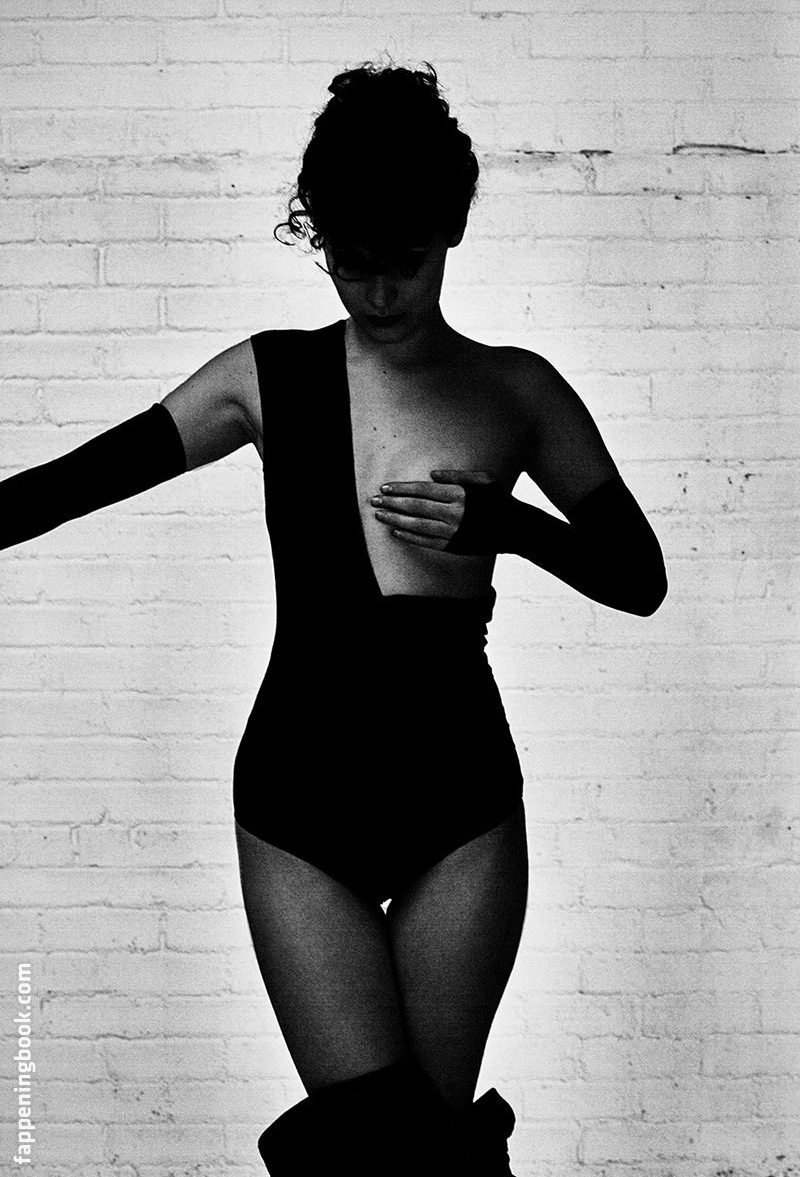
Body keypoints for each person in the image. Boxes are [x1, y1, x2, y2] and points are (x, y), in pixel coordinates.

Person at [0, 61, 667, 1176]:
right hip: (298, 803)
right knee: (367, 1152)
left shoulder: (518, 389)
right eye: (349, 261)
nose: (376, 292)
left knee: (431, 1156)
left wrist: (507, 526)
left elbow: (638, 577)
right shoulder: (266, 377)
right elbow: (74, 483)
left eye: (401, 261)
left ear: (451, 230)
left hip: (459, 803)